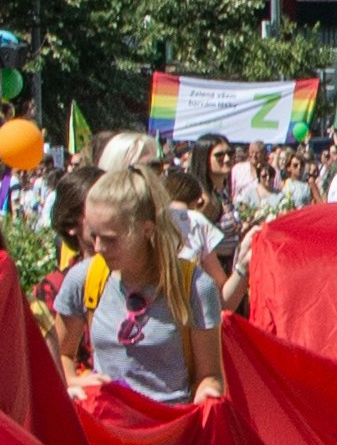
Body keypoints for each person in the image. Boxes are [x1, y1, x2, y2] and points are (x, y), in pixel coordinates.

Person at [50, 163, 219, 402]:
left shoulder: (195, 286)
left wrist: (208, 394)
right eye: (94, 235)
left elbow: (210, 376)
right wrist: (73, 380)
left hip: (171, 428)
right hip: (106, 428)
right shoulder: (83, 278)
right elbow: (60, 355)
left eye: (110, 239)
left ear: (147, 230)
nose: (98, 248)